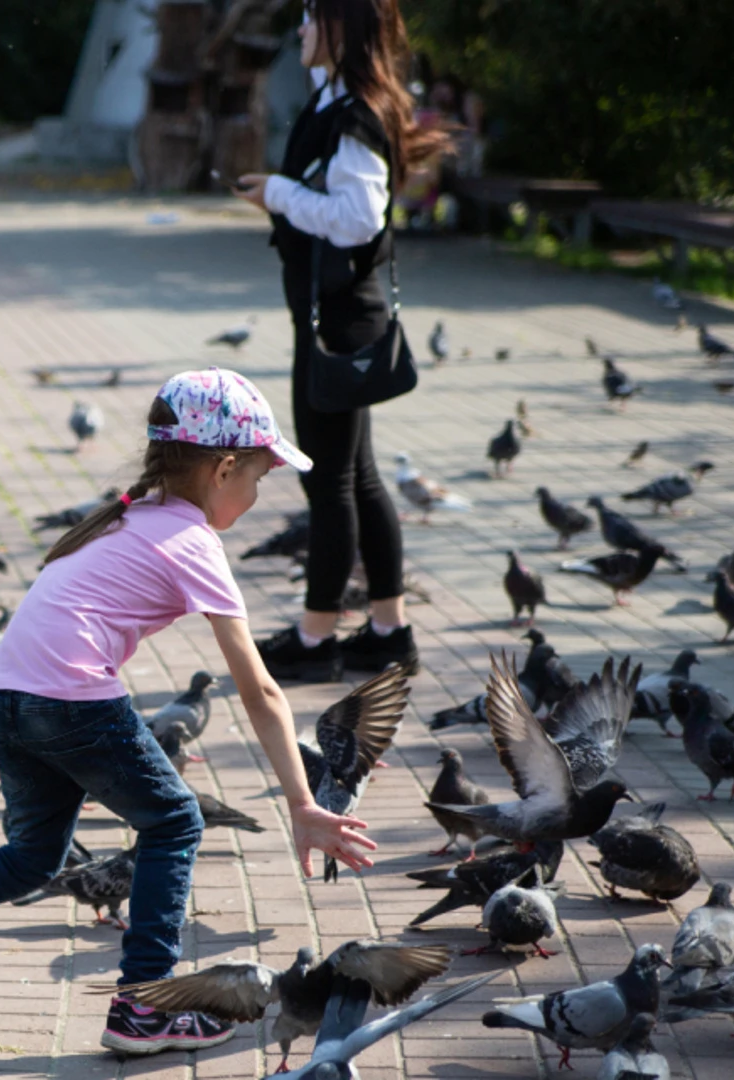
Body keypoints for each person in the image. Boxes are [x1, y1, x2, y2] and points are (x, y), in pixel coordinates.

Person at [0, 370, 376, 1055]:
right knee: (174, 821)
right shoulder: (192, 541)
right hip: (56, 702)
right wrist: (301, 802)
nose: (258, 496)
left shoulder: (120, 519)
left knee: (31, 856)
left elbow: (43, 642)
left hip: (15, 698)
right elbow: (259, 690)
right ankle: (145, 1008)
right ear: (224, 466)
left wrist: (14, 735)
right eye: (258, 477)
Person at [231, 0, 447, 683]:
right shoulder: (339, 100)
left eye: (309, 15)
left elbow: (357, 220)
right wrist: (282, 193)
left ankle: (317, 637)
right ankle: (388, 631)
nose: (299, 29)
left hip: (337, 323)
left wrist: (282, 193)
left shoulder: (353, 111)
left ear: (340, 29)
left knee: (329, 483)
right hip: (338, 316)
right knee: (357, 476)